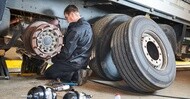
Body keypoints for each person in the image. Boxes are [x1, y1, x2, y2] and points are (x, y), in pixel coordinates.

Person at [44, 5, 93, 85]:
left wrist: (53, 59)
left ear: (72, 14)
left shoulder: (75, 30)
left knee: (48, 73)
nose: (67, 21)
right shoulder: (87, 26)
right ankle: (79, 71)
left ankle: (75, 75)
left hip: (73, 62)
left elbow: (66, 53)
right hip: (83, 61)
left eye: (67, 17)